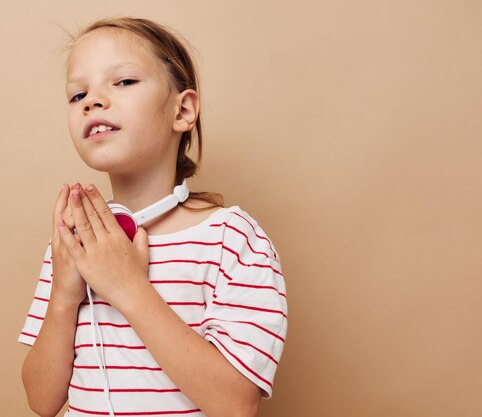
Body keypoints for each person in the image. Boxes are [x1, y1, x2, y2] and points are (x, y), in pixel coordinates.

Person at [18, 17, 288, 417]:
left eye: (124, 82)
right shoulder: (75, 241)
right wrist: (63, 296)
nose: (92, 101)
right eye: (78, 95)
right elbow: (41, 402)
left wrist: (127, 287)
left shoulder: (232, 239)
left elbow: (235, 404)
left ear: (183, 110)